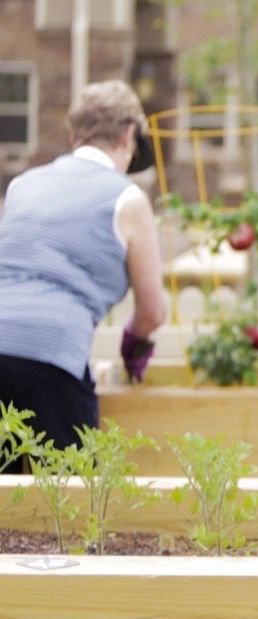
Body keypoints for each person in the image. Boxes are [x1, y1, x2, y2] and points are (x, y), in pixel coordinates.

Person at [0, 80, 166, 468]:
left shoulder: (24, 185)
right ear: (129, 135)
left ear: (74, 134)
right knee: (65, 505)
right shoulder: (127, 199)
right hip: (54, 354)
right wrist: (133, 342)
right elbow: (152, 310)